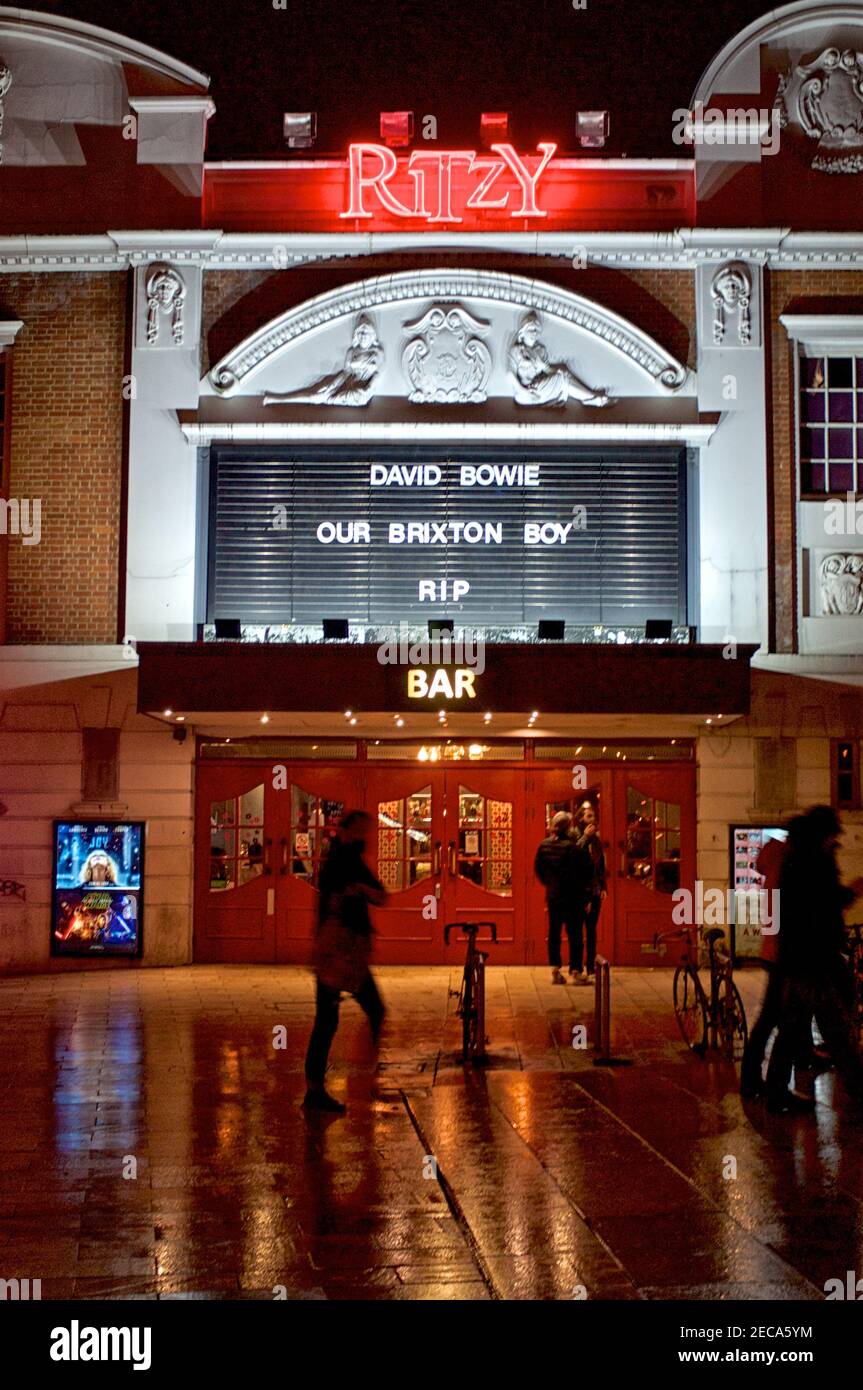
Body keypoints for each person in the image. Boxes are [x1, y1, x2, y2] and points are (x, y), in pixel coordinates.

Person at [765, 806, 863, 1115]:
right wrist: (852, 892)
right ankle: (860, 1094)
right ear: (824, 834)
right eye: (834, 833)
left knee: (792, 1027)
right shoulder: (812, 862)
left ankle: (776, 1093)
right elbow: (822, 904)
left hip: (798, 956)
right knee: (835, 1029)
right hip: (812, 959)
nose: (837, 838)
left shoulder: (798, 858)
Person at [303, 810, 386, 1114]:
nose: (368, 834)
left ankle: (319, 1087)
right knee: (345, 1015)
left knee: (329, 1019)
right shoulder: (341, 861)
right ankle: (362, 1071)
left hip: (340, 950)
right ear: (348, 830)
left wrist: (364, 891)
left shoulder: (348, 858)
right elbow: (341, 900)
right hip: (339, 950)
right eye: (363, 829)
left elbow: (379, 894)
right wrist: (359, 892)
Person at [534, 811, 592, 984]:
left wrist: (550, 884)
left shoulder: (544, 846)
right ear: (568, 828)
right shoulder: (573, 848)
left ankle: (555, 969)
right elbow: (584, 873)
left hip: (554, 896)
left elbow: (539, 870)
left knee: (554, 933)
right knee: (575, 934)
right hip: (573, 897)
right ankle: (575, 970)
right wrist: (586, 897)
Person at [574, 803, 607, 983]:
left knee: (591, 931)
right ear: (581, 819)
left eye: (593, 816)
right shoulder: (576, 836)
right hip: (580, 893)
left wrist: (603, 887)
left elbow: (600, 866)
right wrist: (585, 837)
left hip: (594, 892)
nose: (592, 820)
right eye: (588, 816)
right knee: (578, 933)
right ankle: (577, 968)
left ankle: (591, 968)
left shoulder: (596, 841)